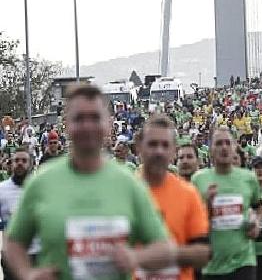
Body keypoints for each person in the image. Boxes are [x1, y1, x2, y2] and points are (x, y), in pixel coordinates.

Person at [4, 84, 173, 280]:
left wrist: (136, 257)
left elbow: (165, 249)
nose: (87, 126)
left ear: (108, 124)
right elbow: (12, 242)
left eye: (94, 118)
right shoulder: (41, 182)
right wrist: (27, 273)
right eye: (79, 118)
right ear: (66, 124)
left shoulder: (129, 183)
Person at [138, 115, 211, 280]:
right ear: (140, 148)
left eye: (165, 145)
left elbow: (203, 253)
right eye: (152, 144)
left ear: (172, 151)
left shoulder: (188, 194)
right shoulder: (127, 192)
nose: (158, 151)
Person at [191, 127, 262, 280]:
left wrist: (256, 223)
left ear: (234, 147)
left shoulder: (248, 178)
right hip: (212, 265)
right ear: (211, 150)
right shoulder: (199, 179)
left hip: (244, 262)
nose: (223, 147)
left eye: (227, 143)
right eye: (218, 143)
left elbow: (259, 208)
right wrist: (208, 205)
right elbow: (193, 223)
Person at [0, 147, 35, 280]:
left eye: (24, 160)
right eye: (16, 160)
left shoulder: (39, 187)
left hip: (35, 254)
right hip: (10, 255)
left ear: (30, 164)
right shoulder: (2, 189)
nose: (20, 163)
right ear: (11, 163)